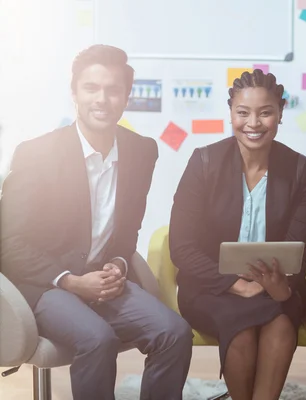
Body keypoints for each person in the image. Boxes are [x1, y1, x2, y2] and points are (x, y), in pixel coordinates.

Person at [0, 45, 192, 400]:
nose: (102, 99)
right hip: (45, 283)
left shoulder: (141, 151)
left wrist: (118, 264)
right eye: (91, 88)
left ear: (126, 96)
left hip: (103, 282)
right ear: (74, 93)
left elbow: (128, 229)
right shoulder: (37, 153)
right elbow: (10, 244)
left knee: (174, 332)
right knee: (97, 339)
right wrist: (72, 281)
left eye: (113, 89)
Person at [170, 69, 306, 400]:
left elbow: (300, 249)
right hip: (210, 286)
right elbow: (181, 247)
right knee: (241, 329)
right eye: (243, 112)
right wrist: (236, 285)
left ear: (280, 114)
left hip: (276, 285)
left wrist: (282, 288)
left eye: (265, 112)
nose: (254, 123)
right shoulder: (204, 162)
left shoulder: (300, 170)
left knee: (280, 324)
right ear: (231, 114)